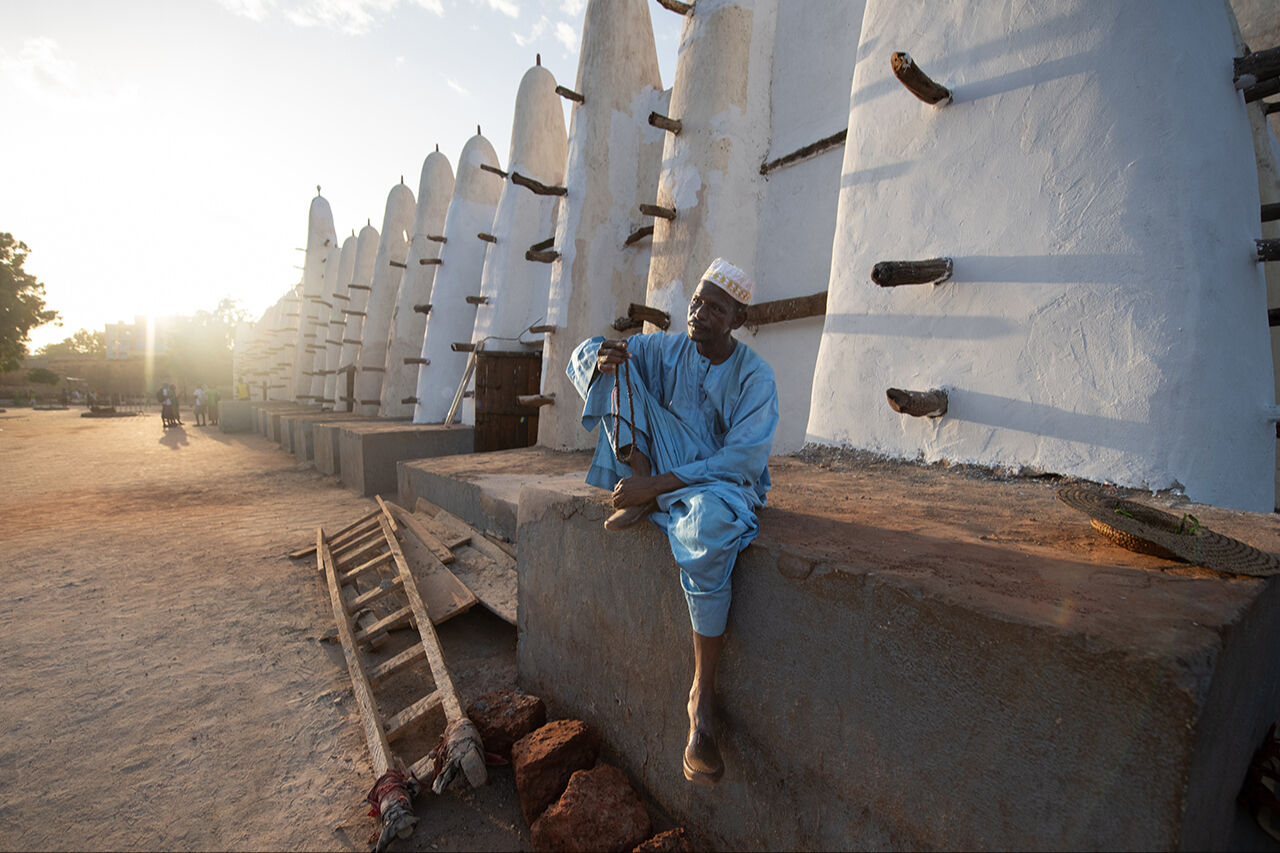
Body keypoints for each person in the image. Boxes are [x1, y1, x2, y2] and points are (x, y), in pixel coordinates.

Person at [567, 258, 778, 787]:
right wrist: (602, 355)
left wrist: (656, 485)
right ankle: (637, 476)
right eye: (697, 301)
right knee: (613, 364)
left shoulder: (756, 376)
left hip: (720, 478)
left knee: (709, 530)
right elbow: (581, 354)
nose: (699, 312)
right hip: (660, 461)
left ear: (737, 318)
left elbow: (740, 462)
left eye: (715, 307)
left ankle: (700, 700)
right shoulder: (668, 347)